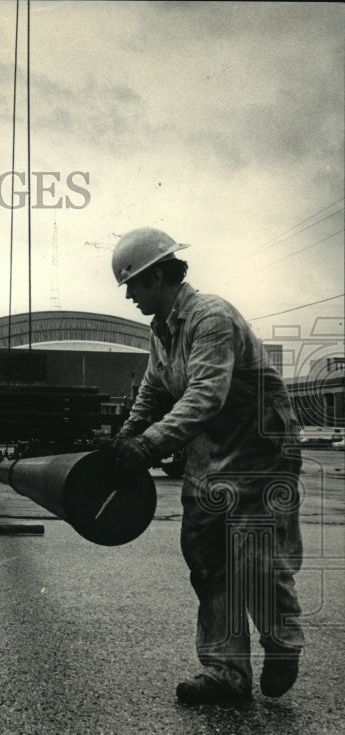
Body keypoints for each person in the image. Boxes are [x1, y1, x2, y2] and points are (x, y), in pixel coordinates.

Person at [109, 227, 304, 704]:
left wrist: (148, 446)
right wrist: (126, 438)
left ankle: (282, 641)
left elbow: (205, 396)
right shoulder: (163, 331)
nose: (130, 295)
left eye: (132, 284)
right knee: (208, 561)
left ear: (158, 275)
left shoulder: (210, 317)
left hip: (260, 452)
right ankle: (225, 674)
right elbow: (154, 391)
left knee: (255, 557)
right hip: (210, 455)